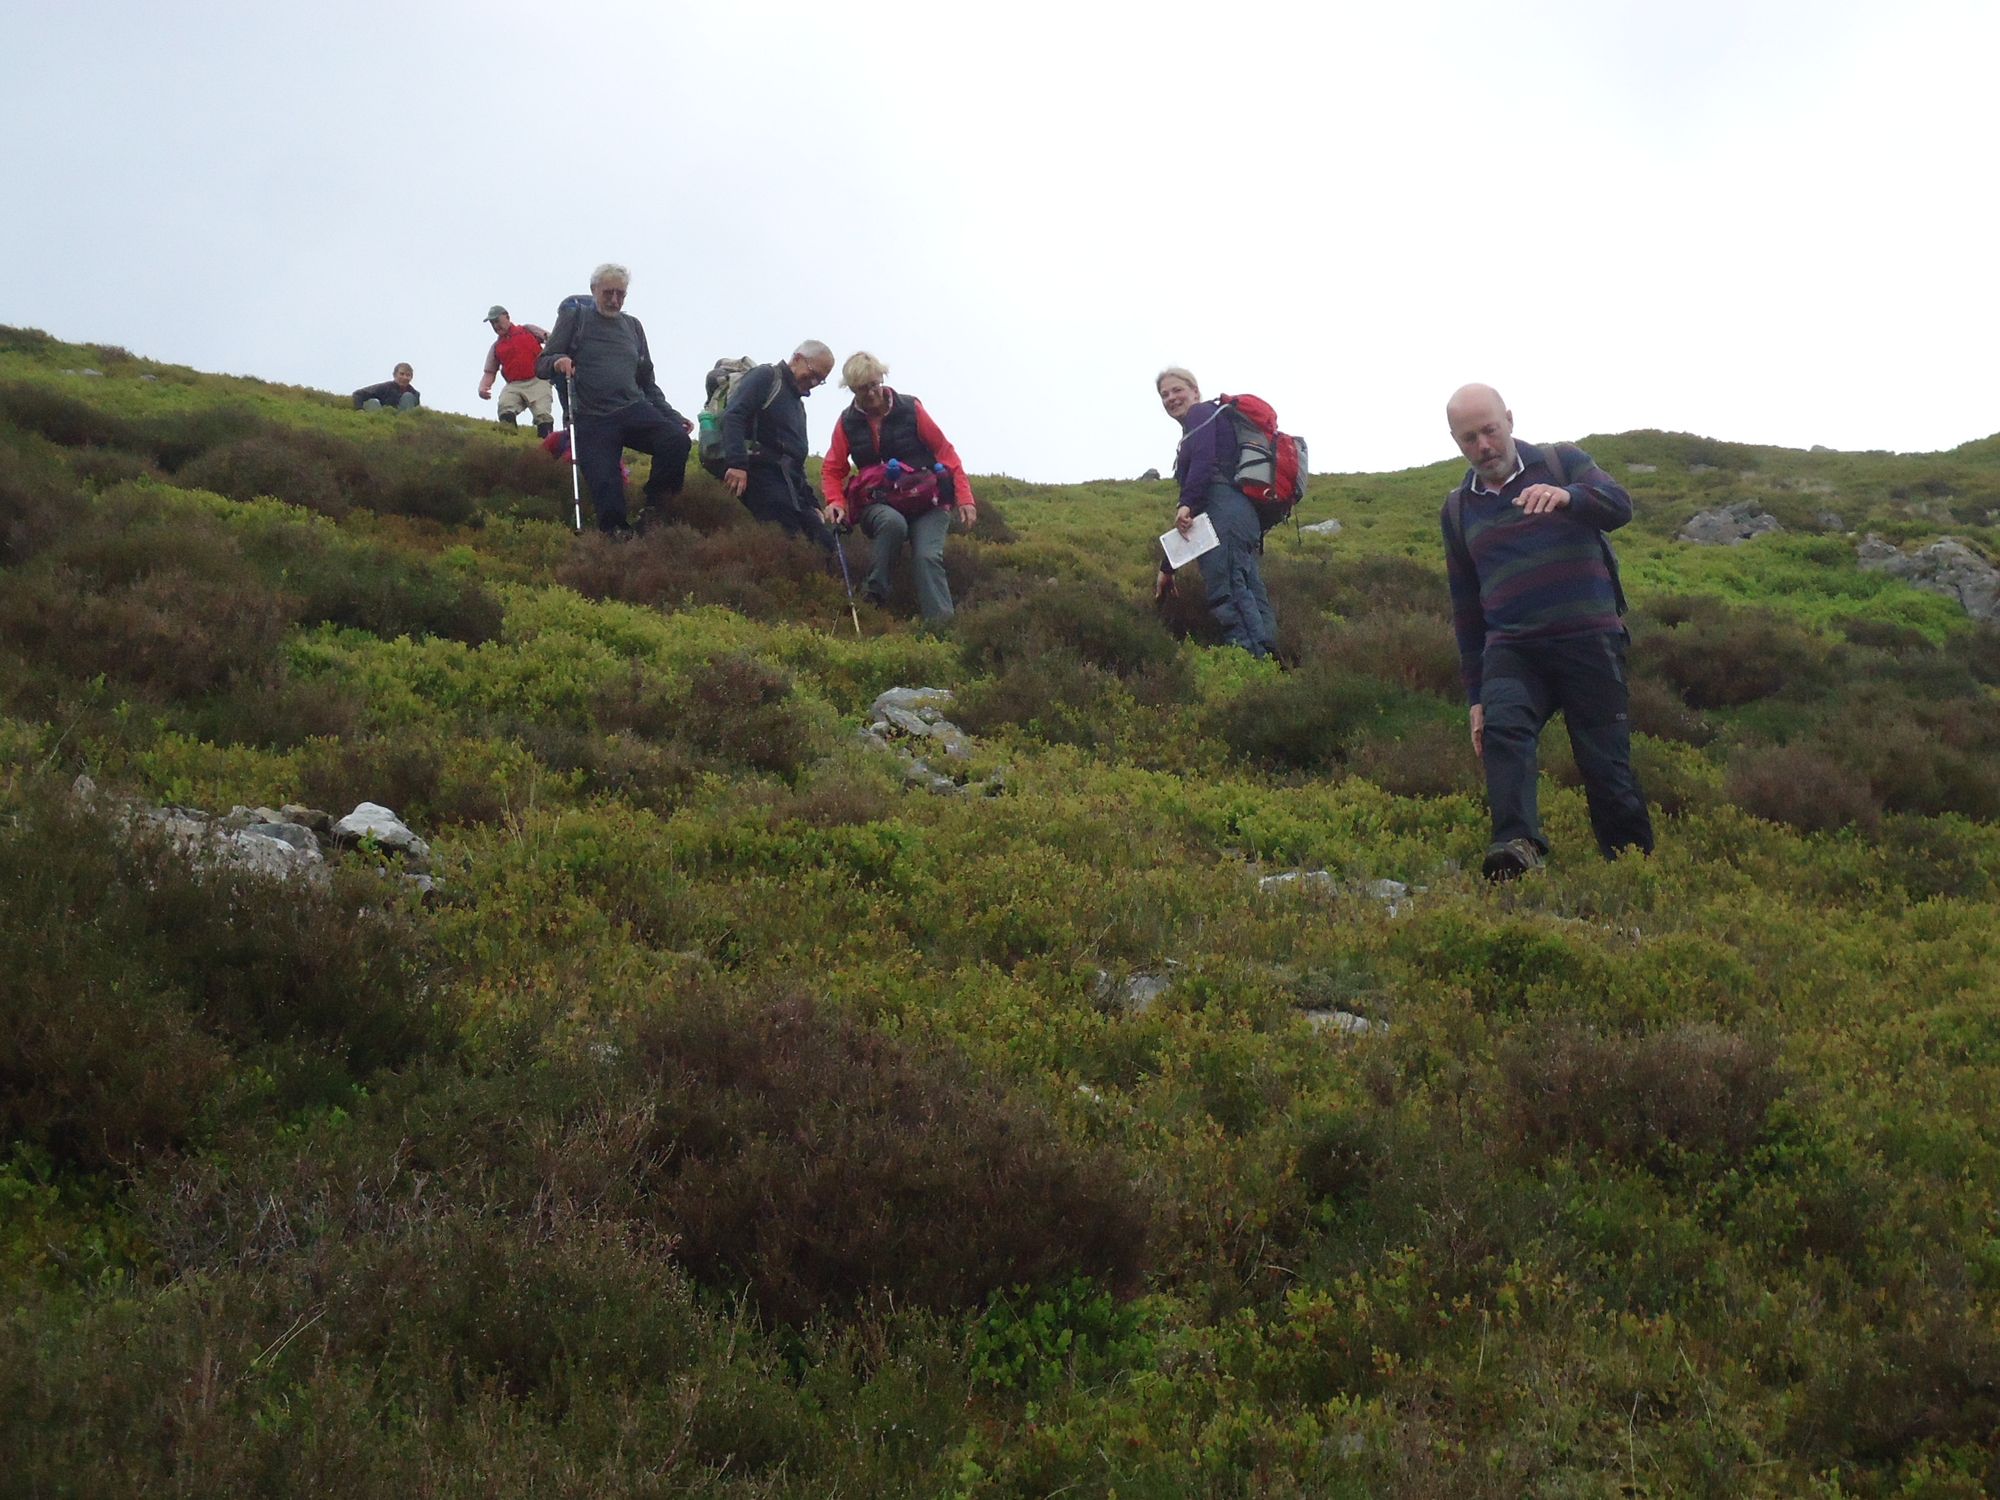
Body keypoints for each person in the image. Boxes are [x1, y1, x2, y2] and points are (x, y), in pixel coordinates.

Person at [1441, 383, 1654, 880]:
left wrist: (1569, 497)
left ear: (1510, 421)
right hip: (1512, 648)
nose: (1484, 446)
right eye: (1469, 438)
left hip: (1589, 640)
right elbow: (1466, 608)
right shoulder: (1457, 509)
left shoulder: (1563, 462)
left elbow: (1619, 505)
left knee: (1606, 767)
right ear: (1456, 442)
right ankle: (1517, 848)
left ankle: (1632, 871)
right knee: (1503, 733)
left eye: (1490, 430)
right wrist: (1476, 696)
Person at [820, 351, 977, 626]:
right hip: (879, 503)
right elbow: (833, 468)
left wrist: (965, 497)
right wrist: (835, 501)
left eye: (874, 384)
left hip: (928, 501)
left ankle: (941, 627)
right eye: (862, 389)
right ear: (851, 390)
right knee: (893, 524)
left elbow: (945, 451)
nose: (871, 393)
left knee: (927, 557)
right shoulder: (847, 422)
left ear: (882, 378)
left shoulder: (910, 408)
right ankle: (874, 594)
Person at [535, 263, 692, 536]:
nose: (615, 300)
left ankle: (655, 511)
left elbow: (646, 381)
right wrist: (558, 360)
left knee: (676, 441)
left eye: (621, 294)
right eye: (608, 293)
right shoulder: (576, 318)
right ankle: (617, 536)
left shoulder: (633, 327)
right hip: (590, 416)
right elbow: (542, 364)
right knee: (606, 484)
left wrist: (672, 416)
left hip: (632, 408)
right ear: (594, 290)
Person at [1156, 367, 1277, 657]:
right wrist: (1167, 568)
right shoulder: (1208, 421)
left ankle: (1253, 666)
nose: (1171, 398)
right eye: (1164, 394)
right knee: (1250, 593)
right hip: (1239, 517)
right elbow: (1194, 518)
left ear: (1195, 392)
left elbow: (1203, 463)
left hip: (1223, 512)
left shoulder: (1200, 414)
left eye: (1177, 390)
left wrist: (1186, 503)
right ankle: (1272, 665)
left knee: (1230, 594)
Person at [719, 341, 837, 551]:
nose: (814, 382)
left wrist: (812, 503)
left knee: (825, 543)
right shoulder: (765, 376)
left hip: (789, 483)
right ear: (797, 358)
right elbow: (734, 415)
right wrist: (737, 464)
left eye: (821, 380)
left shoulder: (798, 406)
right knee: (787, 535)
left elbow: (796, 459)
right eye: (813, 374)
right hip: (760, 472)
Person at [477, 305, 554, 438]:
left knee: (542, 414)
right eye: (492, 323)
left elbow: (551, 339)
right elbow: (490, 371)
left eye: (497, 321)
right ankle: (509, 440)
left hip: (538, 380)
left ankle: (545, 444)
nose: (495, 326)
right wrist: (483, 387)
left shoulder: (528, 330)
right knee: (505, 405)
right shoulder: (496, 347)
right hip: (514, 385)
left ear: (507, 317)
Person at [352, 363, 419, 412]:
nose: (404, 377)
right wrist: (359, 409)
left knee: (408, 396)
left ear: (411, 377)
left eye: (408, 375)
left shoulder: (414, 394)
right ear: (394, 375)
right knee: (373, 402)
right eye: (402, 374)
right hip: (383, 417)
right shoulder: (384, 387)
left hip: (403, 420)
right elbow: (358, 394)